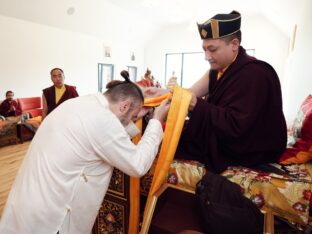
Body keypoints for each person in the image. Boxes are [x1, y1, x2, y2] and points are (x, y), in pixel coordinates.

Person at [0, 73, 170, 234]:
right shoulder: (103, 120)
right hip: (54, 216)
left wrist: (134, 113)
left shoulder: (81, 104)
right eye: (132, 116)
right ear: (124, 105)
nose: (132, 119)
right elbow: (138, 164)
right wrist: (156, 121)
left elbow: (105, 135)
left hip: (31, 201)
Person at [175, 10, 287, 173]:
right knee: (176, 136)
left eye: (212, 49)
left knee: (180, 144)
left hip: (251, 147)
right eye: (204, 49)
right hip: (225, 135)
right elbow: (190, 92)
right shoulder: (218, 70)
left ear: (234, 44)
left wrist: (196, 105)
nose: (207, 56)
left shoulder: (255, 74)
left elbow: (238, 126)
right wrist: (163, 93)